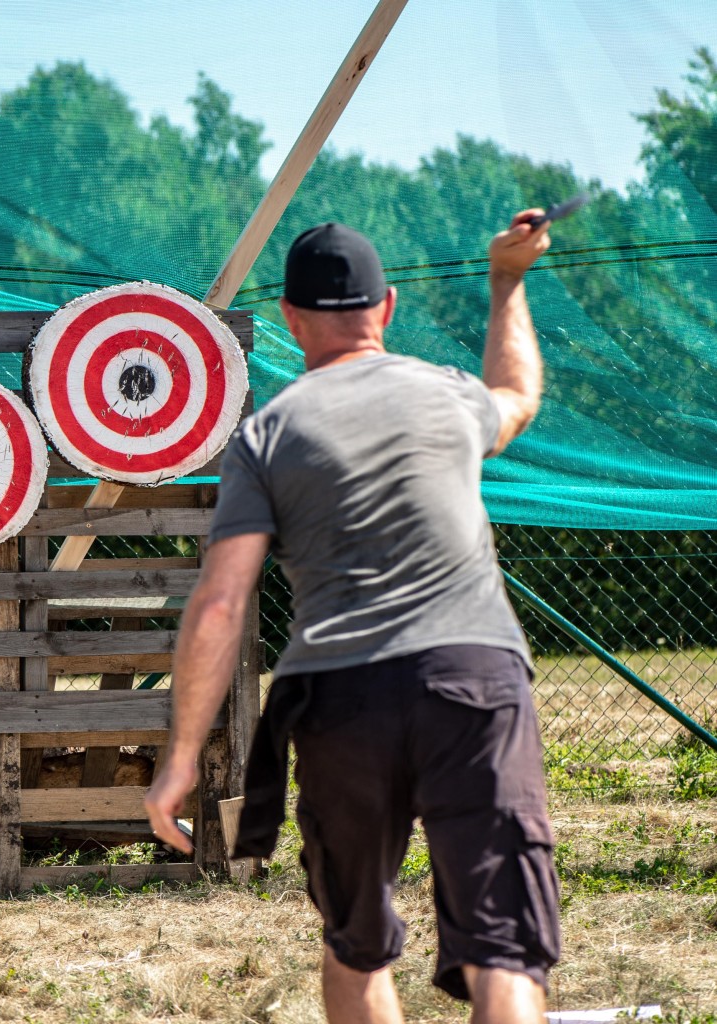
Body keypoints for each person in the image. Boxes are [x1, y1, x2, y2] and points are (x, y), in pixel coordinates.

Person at [145, 213, 558, 1023]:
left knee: (354, 942)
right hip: (471, 677)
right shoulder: (447, 395)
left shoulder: (265, 435)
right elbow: (517, 395)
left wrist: (181, 757)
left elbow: (221, 602)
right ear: (387, 308)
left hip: (338, 701)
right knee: (501, 948)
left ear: (289, 318)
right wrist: (507, 280)